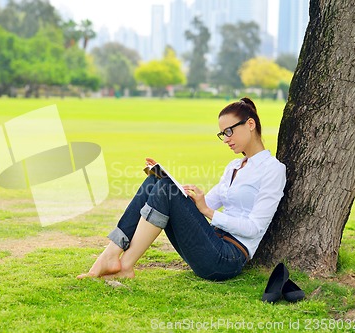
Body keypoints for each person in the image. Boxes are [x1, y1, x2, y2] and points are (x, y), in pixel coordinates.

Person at [77, 98, 286, 281]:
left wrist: (209, 213)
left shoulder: (273, 170)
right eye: (222, 134)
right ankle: (111, 254)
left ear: (250, 124)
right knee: (156, 182)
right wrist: (168, 178)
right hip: (210, 242)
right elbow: (198, 205)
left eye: (229, 131)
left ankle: (124, 265)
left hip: (226, 258)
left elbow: (256, 227)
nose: (226, 139)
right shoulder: (234, 167)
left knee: (166, 188)